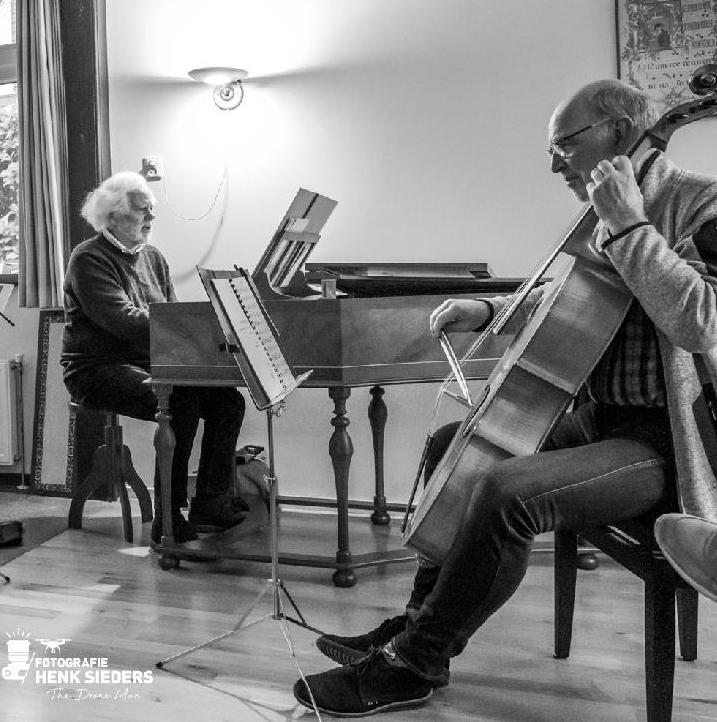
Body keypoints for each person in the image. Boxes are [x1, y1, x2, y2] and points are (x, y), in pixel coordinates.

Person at [294, 79, 717, 716]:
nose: (554, 165)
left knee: (507, 491)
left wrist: (630, 225)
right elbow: (576, 299)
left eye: (564, 146)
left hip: (671, 443)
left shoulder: (700, 203)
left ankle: (415, 664)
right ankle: (418, 626)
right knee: (456, 446)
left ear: (621, 132)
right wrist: (490, 309)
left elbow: (703, 322)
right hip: (600, 420)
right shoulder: (606, 210)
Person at [61, 172, 247, 544]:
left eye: (151, 210)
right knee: (180, 402)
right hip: (95, 368)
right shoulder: (88, 258)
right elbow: (124, 321)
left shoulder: (153, 257)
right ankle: (169, 515)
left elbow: (171, 316)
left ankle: (211, 502)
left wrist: (201, 340)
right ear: (113, 216)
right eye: (141, 210)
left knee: (229, 401)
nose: (150, 217)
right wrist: (199, 324)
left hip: (149, 362)